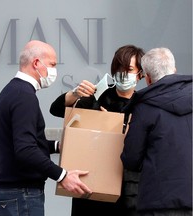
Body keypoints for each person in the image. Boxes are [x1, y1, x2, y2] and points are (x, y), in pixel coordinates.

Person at [0, 40, 92, 216]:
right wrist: (63, 175)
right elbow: (25, 149)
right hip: (22, 193)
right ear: (36, 63)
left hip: (13, 193)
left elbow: (24, 141)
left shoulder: (12, 91)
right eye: (52, 64)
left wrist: (57, 146)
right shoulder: (24, 96)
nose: (54, 71)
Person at [50, 44, 145, 216]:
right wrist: (75, 93)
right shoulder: (99, 94)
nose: (123, 74)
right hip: (91, 184)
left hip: (126, 188)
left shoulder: (144, 104)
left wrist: (115, 126)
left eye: (129, 69)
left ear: (140, 74)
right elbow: (56, 109)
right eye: (119, 68)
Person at [120, 47, 192, 216]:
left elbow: (131, 158)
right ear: (174, 70)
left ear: (148, 78)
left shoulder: (145, 107)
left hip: (158, 201)